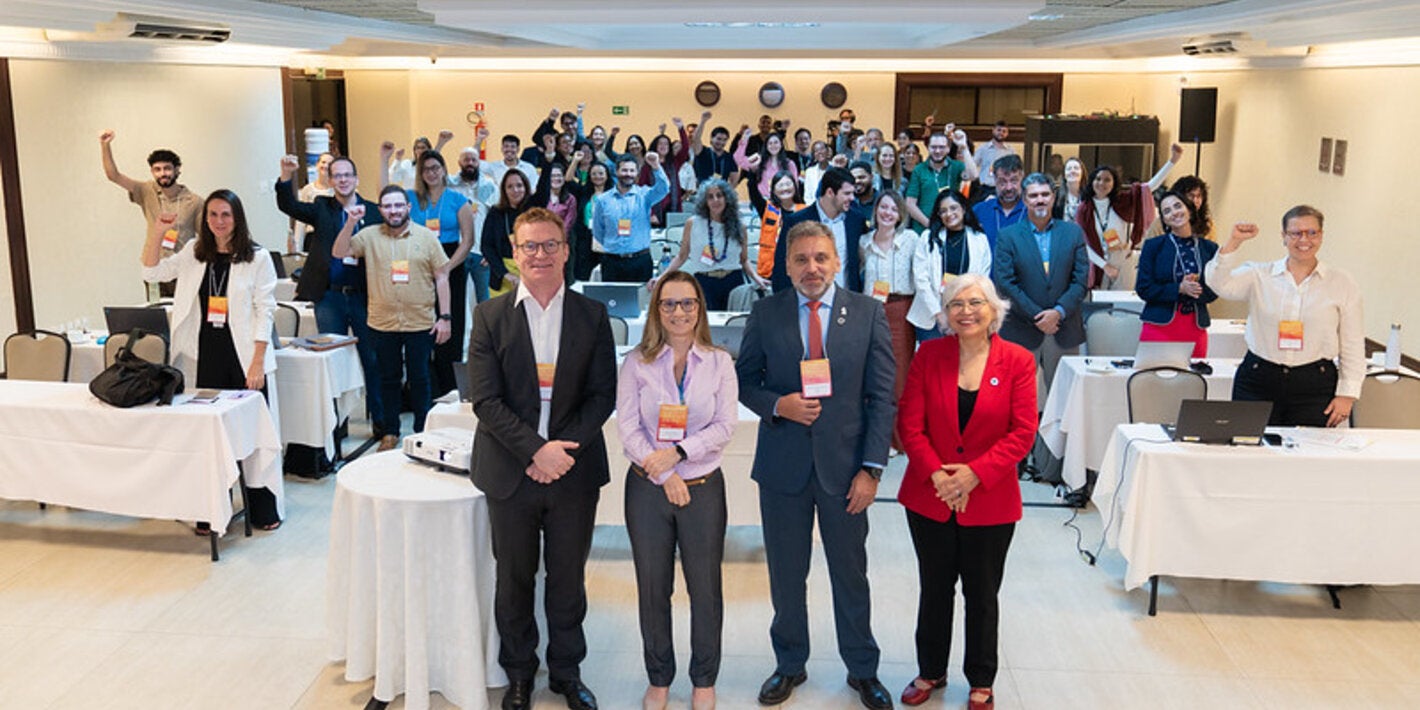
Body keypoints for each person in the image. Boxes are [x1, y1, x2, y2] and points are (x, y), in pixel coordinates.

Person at [736, 221, 896, 710]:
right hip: (782, 467)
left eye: (821, 258)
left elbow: (882, 397)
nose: (812, 268)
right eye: (801, 259)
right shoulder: (766, 312)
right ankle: (789, 663)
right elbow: (743, 380)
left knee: (850, 574)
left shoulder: (867, 313)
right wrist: (777, 405)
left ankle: (862, 669)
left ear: (836, 262)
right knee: (786, 574)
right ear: (786, 266)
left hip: (846, 471)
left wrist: (871, 469)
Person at [467, 207, 617, 710]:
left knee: (568, 579)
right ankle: (519, 674)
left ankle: (567, 672)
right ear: (515, 253)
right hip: (510, 471)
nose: (540, 254)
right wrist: (536, 451)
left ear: (566, 251)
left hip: (574, 471)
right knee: (513, 580)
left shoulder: (592, 315)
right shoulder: (489, 317)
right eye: (529, 245)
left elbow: (602, 395)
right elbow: (486, 401)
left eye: (550, 244)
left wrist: (560, 453)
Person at [895, 273, 1036, 710]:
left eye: (976, 303)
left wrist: (974, 474)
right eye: (956, 304)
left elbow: (1023, 432)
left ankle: (981, 679)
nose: (966, 311)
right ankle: (930, 670)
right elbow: (910, 424)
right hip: (930, 495)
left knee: (982, 593)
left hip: (990, 499)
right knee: (934, 588)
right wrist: (939, 476)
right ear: (945, 314)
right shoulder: (928, 355)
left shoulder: (1018, 361)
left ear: (993, 310)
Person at [617, 271, 737, 710]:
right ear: (657, 310)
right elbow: (628, 427)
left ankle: (704, 679)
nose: (679, 312)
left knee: (705, 589)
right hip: (648, 489)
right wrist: (664, 474)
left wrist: (679, 454)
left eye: (687, 303)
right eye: (669, 304)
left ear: (699, 308)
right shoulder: (637, 362)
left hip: (702, 487)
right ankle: (659, 678)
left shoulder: (719, 362)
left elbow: (725, 426)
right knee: (653, 588)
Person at [140, 190, 281, 531]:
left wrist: (258, 362)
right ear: (205, 219)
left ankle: (263, 509)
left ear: (237, 218)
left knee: (252, 434)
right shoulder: (194, 252)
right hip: (206, 354)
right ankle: (211, 512)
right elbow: (151, 272)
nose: (219, 221)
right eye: (213, 215)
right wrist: (157, 232)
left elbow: (265, 310)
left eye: (226, 215)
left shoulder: (257, 257)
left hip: (245, 356)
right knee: (210, 436)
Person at [1204, 206, 1364, 427]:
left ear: (1321, 236)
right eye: (1296, 233)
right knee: (1248, 444)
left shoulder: (1341, 283)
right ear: (1283, 236)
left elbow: (1352, 343)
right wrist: (1233, 243)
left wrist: (1347, 394)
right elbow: (1218, 283)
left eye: (1312, 233)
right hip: (1259, 379)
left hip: (1315, 384)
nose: (1304, 240)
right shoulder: (1259, 275)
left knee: (1308, 448)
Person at [332, 185, 452, 450]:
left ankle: (422, 430)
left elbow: (442, 277)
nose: (393, 211)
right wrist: (350, 223)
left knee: (420, 378)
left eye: (398, 205)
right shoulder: (369, 236)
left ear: (408, 207)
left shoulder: (426, 237)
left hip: (420, 321)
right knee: (388, 378)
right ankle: (390, 432)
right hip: (382, 322)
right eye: (387, 206)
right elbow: (339, 252)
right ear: (380, 210)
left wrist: (445, 317)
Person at [275, 154, 387, 437]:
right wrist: (286, 176)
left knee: (372, 359)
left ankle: (381, 423)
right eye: (337, 175)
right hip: (329, 296)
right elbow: (287, 205)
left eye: (347, 175)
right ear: (330, 180)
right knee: (333, 360)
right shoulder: (322, 207)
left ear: (356, 179)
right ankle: (337, 427)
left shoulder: (373, 212)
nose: (343, 180)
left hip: (364, 296)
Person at [992, 173, 1089, 400]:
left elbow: (1080, 280)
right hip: (1022, 330)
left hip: (1064, 329)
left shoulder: (1073, 232)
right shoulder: (1008, 236)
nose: (1040, 200)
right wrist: (1039, 316)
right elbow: (1005, 283)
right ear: (1024, 200)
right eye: (1033, 196)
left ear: (1053, 198)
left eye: (1045, 194)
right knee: (1013, 399)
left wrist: (1058, 312)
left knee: (1065, 401)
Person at [406, 150, 477, 399]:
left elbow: (468, 240)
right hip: (419, 265)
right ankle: (424, 390)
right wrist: (383, 159)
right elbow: (383, 195)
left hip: (451, 264)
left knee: (450, 327)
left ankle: (449, 390)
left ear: (444, 170)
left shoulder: (458, 200)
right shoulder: (411, 198)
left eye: (436, 168)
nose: (432, 173)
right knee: (422, 327)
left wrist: (448, 266)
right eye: (426, 169)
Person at [1074, 143, 1184, 289]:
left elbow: (1149, 187)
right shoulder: (1084, 209)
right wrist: (1104, 266)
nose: (1102, 183)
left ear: (1114, 183)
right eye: (1098, 179)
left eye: (1107, 180)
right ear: (1092, 181)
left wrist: (1173, 161)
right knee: (1098, 302)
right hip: (1096, 264)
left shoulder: (1123, 201)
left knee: (1123, 301)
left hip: (1123, 259)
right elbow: (1082, 243)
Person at [1136, 191, 1220, 357]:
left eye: (1177, 206)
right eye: (1167, 211)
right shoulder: (1153, 246)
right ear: (1164, 220)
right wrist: (1179, 288)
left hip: (1195, 326)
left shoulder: (1210, 248)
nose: (1174, 213)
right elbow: (1144, 288)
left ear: (1189, 210)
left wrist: (1194, 289)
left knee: (1194, 373)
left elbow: (1216, 288)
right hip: (1159, 325)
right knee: (1155, 373)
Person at [662, 178, 765, 310]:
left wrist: (756, 278)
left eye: (719, 195)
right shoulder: (693, 223)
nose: (715, 200)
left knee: (734, 321)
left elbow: (744, 260)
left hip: (734, 281)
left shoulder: (740, 226)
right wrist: (662, 277)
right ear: (705, 201)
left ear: (727, 198)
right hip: (704, 282)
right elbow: (681, 256)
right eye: (710, 197)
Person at [860, 191, 919, 414]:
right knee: (875, 369)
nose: (888, 213)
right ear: (875, 210)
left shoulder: (910, 240)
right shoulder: (864, 241)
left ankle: (899, 430)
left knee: (900, 370)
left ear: (900, 215)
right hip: (871, 311)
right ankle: (878, 426)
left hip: (900, 310)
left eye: (894, 209)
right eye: (884, 207)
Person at [910, 190, 992, 342]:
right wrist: (939, 314)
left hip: (966, 315)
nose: (949, 214)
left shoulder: (979, 239)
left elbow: (982, 279)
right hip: (930, 316)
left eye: (953, 208)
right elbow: (920, 279)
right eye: (943, 211)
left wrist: (963, 311)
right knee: (932, 357)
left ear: (963, 209)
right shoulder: (928, 237)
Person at [773, 167, 867, 294]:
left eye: (852, 193)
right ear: (830, 192)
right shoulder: (797, 222)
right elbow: (781, 267)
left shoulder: (856, 220)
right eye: (846, 193)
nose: (852, 198)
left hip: (846, 299)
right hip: (807, 300)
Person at [592, 153, 670, 283]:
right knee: (612, 296)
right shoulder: (603, 200)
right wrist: (614, 246)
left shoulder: (645, 195)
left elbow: (664, 188)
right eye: (624, 170)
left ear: (637, 173)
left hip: (640, 261)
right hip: (612, 262)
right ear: (616, 171)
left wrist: (656, 166)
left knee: (641, 296)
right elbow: (598, 231)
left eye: (632, 170)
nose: (628, 174)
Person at [449, 146, 498, 305]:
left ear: (479, 163)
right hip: (457, 251)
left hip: (481, 252)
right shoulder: (451, 185)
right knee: (456, 298)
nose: (470, 163)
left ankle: (485, 324)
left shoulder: (489, 186)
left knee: (485, 300)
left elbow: (495, 220)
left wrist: (491, 252)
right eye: (466, 160)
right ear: (459, 162)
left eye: (473, 160)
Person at [904, 130, 977, 230]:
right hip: (923, 229)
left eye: (941, 147)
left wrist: (964, 147)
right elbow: (910, 204)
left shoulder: (956, 166)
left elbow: (973, 176)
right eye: (933, 147)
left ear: (948, 149)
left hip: (949, 228)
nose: (937, 151)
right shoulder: (919, 169)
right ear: (928, 148)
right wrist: (929, 225)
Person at [483, 169, 534, 297]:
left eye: (519, 185)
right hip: (502, 276)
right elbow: (486, 246)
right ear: (504, 190)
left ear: (526, 187)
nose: (515, 190)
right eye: (510, 187)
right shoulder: (495, 213)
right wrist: (505, 274)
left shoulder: (535, 213)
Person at [755, 172, 804, 281]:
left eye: (788, 184)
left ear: (795, 187)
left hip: (798, 268)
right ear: (773, 190)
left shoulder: (804, 210)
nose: (785, 188)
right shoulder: (767, 209)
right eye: (781, 185)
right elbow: (753, 192)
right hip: (771, 269)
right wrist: (753, 173)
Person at [972, 154, 1025, 249]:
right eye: (1002, 182)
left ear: (1022, 178)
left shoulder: (1032, 211)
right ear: (995, 180)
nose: (1008, 188)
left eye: (1014, 181)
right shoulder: (979, 210)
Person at [289, 151, 334, 254]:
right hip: (312, 236)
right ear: (317, 165)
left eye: (329, 163)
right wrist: (297, 248)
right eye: (323, 162)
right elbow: (301, 220)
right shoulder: (308, 190)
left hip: (332, 235)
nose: (325, 166)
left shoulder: (337, 189)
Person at [381, 131, 453, 190]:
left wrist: (440, 143)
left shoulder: (432, 167)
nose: (420, 151)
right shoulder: (407, 164)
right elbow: (393, 178)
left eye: (423, 148)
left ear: (428, 149)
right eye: (417, 148)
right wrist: (397, 160)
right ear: (414, 150)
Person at [970, 120, 1016, 203]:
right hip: (985, 188)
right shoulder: (983, 148)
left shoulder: (1010, 151)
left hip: (1003, 188)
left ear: (1007, 133)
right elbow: (972, 165)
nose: (1001, 133)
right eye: (999, 130)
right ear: (993, 130)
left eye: (1004, 131)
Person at [1171, 174, 1215, 240]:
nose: (1195, 201)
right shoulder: (1163, 223)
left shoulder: (1208, 224)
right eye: (1191, 196)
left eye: (1199, 196)